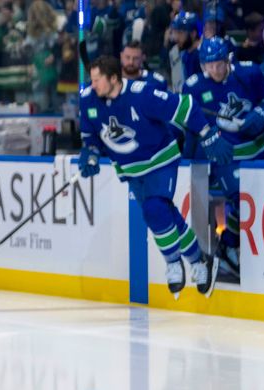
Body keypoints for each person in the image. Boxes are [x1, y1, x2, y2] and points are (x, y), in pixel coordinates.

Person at [79, 55, 231, 298]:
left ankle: (173, 263)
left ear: (114, 78)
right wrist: (91, 155)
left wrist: (207, 133)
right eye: (92, 79)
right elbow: (90, 138)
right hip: (131, 169)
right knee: (166, 216)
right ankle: (200, 261)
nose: (93, 85)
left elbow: (186, 106)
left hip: (160, 161)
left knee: (154, 210)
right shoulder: (88, 99)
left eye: (97, 80)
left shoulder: (142, 95)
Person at [182, 37, 264, 279]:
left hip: (259, 150)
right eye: (209, 65)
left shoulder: (249, 73)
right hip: (226, 156)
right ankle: (229, 244)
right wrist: (208, 138)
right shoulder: (194, 86)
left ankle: (236, 247)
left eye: (219, 63)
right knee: (242, 199)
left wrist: (262, 113)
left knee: (263, 199)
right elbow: (189, 121)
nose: (215, 70)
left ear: (227, 59)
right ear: (202, 65)